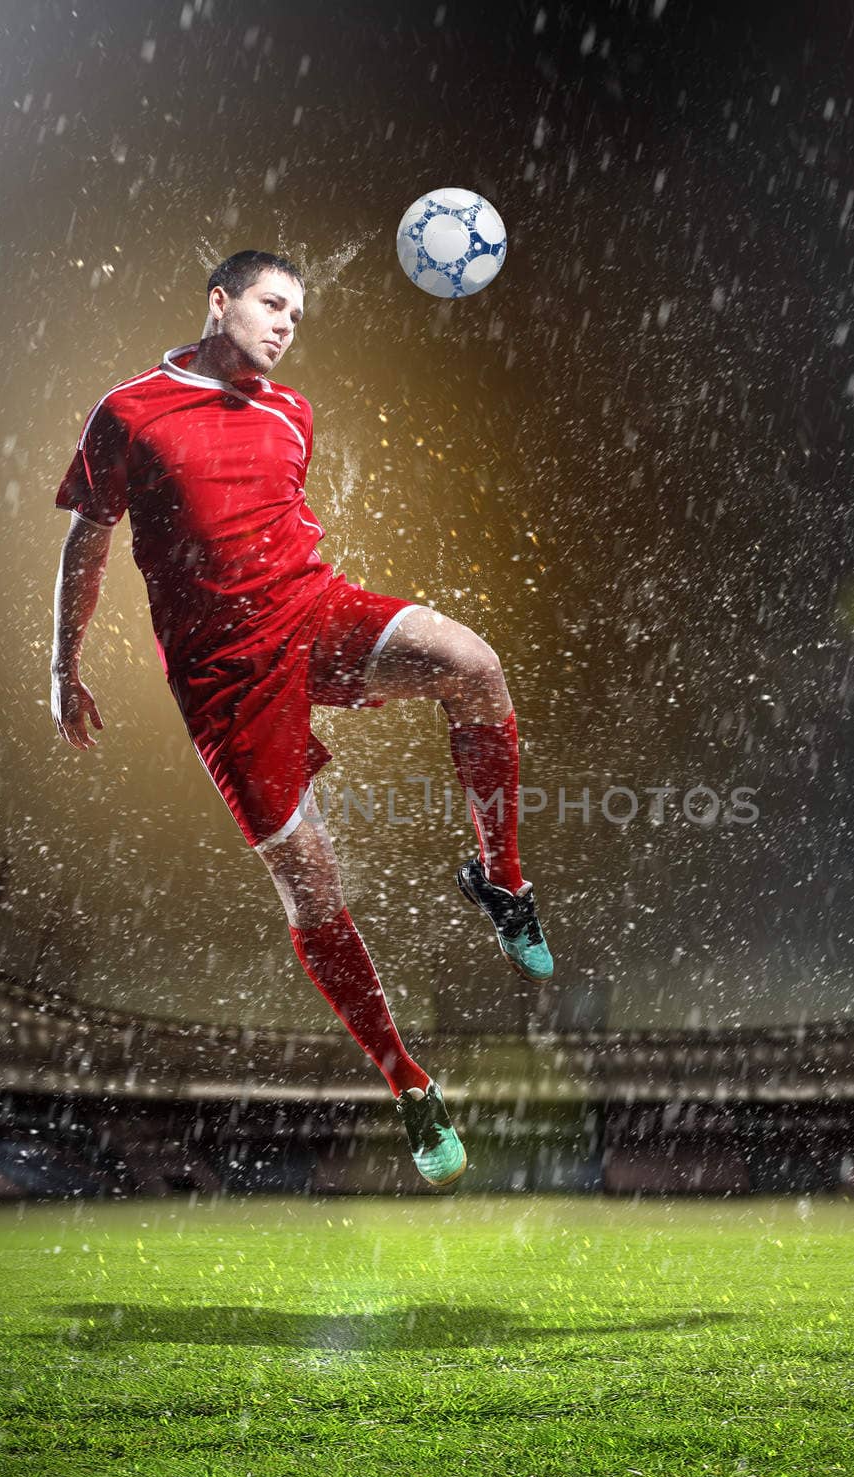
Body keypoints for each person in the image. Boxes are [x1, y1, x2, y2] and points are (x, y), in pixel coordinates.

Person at [49, 250, 553, 1188]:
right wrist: (63, 664)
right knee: (312, 884)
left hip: (311, 612)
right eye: (271, 305)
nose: (285, 326)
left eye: (297, 315)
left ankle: (503, 880)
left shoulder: (292, 413)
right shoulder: (128, 411)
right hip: (221, 679)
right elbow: (90, 536)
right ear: (219, 302)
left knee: (473, 665)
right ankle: (408, 1083)